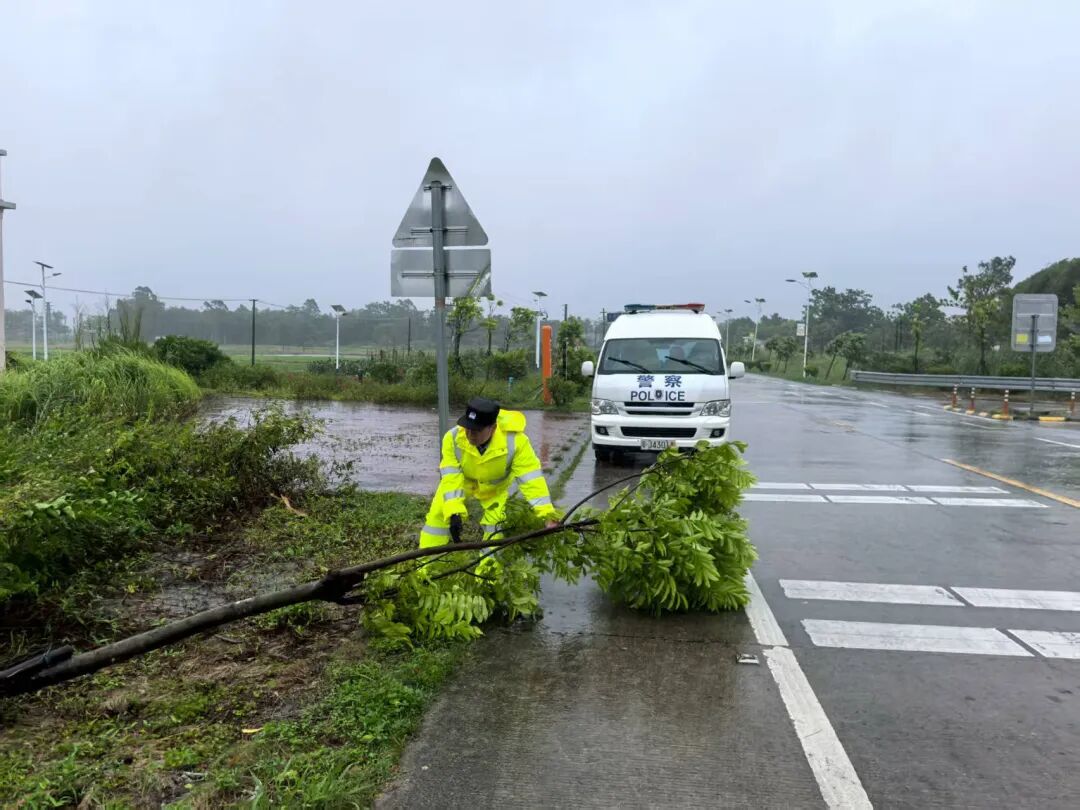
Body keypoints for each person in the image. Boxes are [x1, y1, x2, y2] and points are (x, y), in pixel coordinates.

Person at [419, 397, 560, 548]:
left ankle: (487, 562)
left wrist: (547, 514)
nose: (470, 434)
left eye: (477, 430)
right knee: (438, 516)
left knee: (495, 527)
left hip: (495, 490)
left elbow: (531, 480)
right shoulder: (452, 438)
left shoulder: (516, 442)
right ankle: (426, 560)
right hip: (464, 483)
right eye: (468, 428)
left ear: (493, 428)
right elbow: (451, 477)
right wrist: (454, 511)